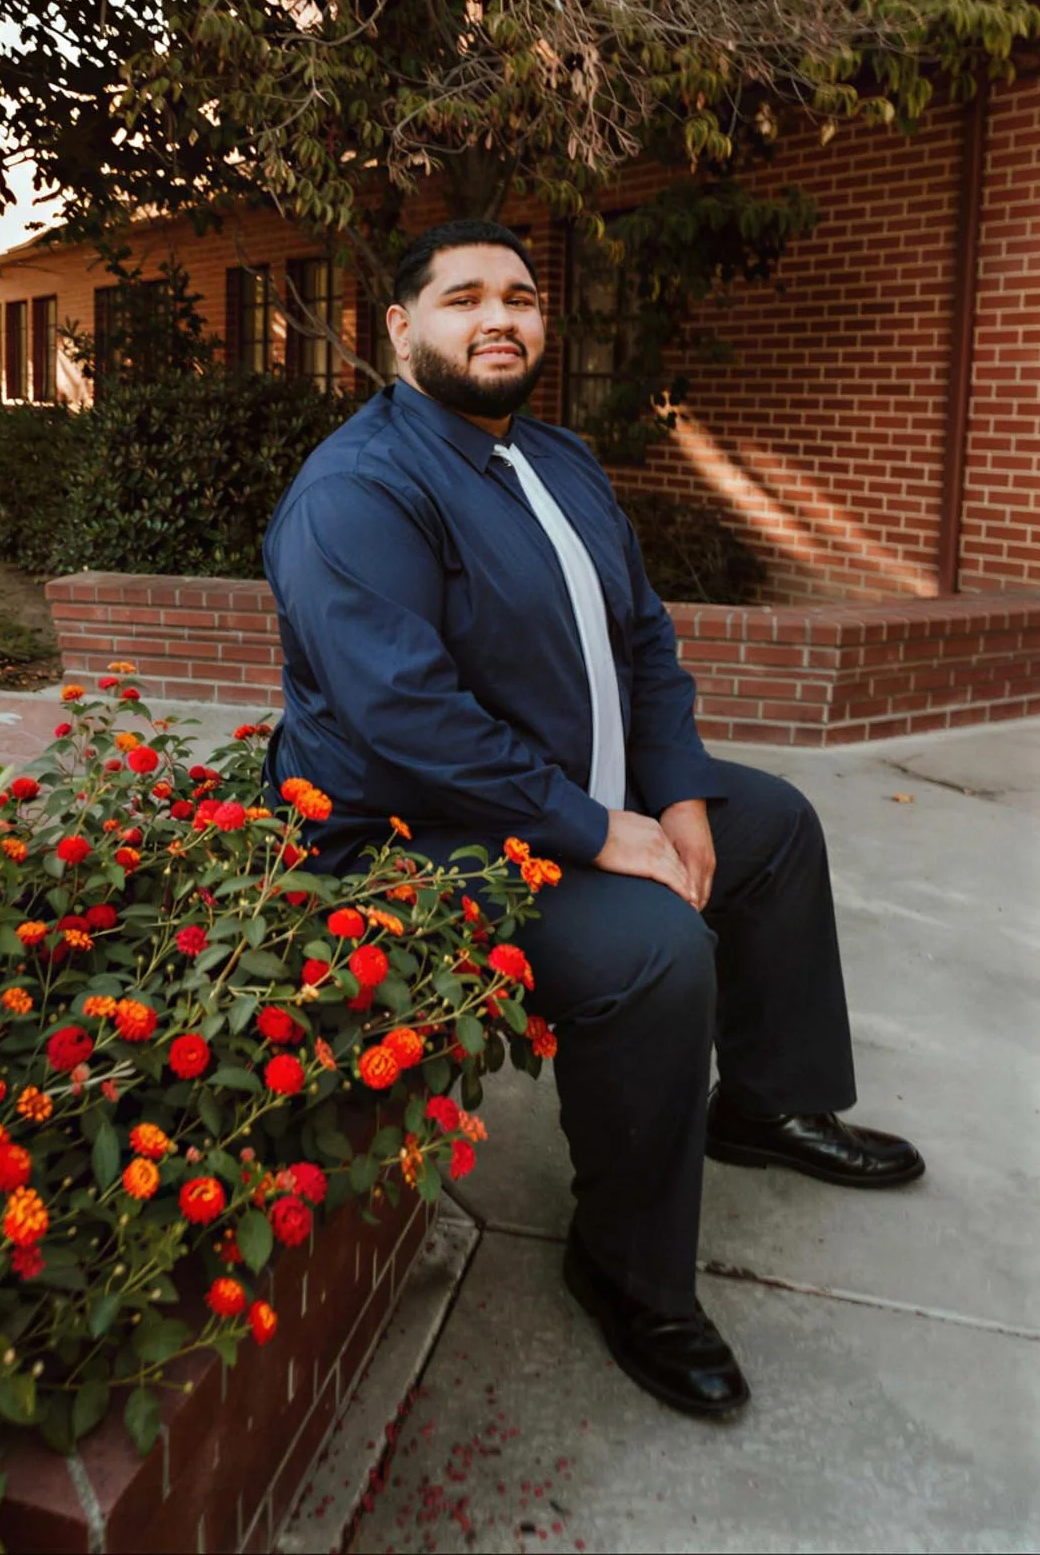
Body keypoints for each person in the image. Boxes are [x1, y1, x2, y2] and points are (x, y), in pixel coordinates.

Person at [262, 218, 925, 1418]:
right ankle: (625, 1267)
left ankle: (765, 1101)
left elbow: (644, 641)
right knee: (652, 951)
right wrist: (600, 827)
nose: (499, 316)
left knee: (768, 824)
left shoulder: (555, 458)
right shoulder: (357, 491)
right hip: (410, 835)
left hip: (569, 792)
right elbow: (405, 716)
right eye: (462, 298)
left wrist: (672, 793)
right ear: (402, 328)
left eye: (520, 295)